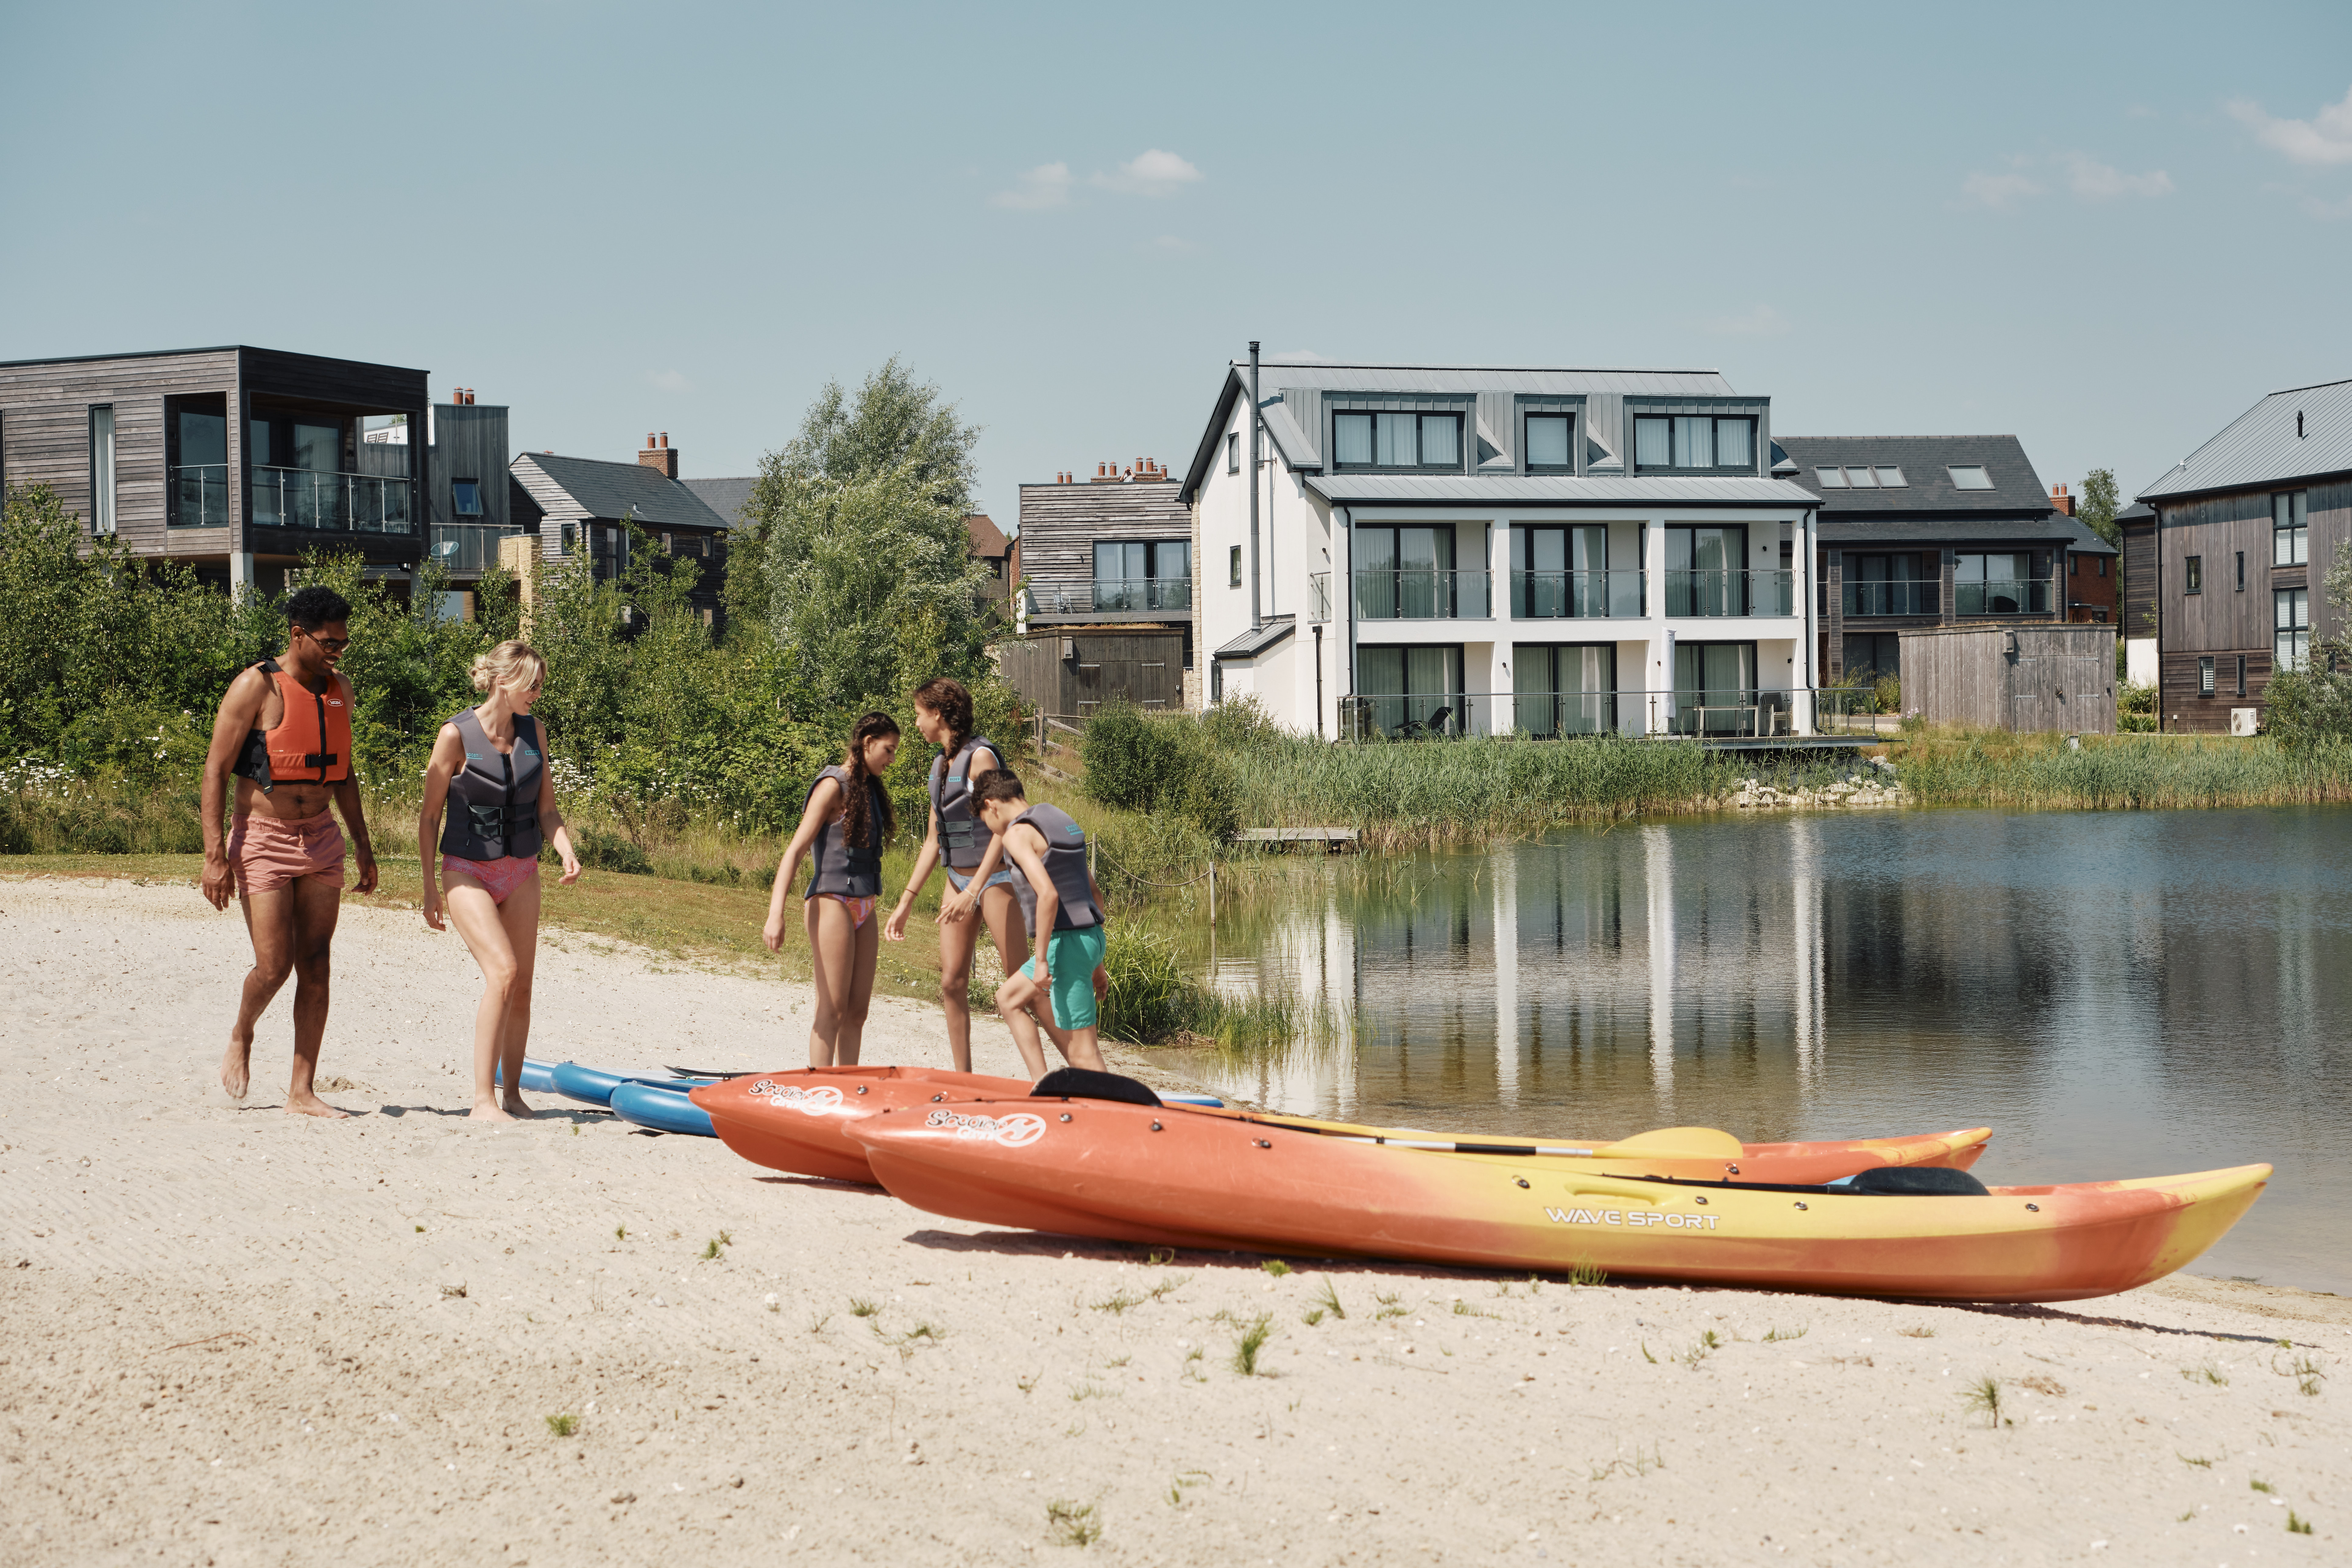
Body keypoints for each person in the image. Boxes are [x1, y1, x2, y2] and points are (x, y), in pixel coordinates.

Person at [200, 584, 379, 1116]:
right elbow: (214, 769)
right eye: (328, 641)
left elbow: (343, 771)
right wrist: (215, 855)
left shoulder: (340, 688)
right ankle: (243, 1032)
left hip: (322, 837)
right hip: (264, 838)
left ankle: (302, 1090)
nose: (337, 651)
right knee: (274, 966)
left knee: (317, 964)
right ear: (298, 634)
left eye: (343, 643)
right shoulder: (255, 687)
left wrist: (364, 846)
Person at [417, 641, 583, 1121]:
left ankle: (512, 1094)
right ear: (502, 680)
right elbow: (429, 817)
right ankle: (482, 1100)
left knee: (524, 986)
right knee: (503, 973)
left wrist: (565, 847)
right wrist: (429, 887)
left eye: (540, 685)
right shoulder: (455, 735)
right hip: (468, 869)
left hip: (522, 869)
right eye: (532, 684)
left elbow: (547, 809)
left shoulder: (536, 732)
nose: (537, 693)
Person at [883, 677, 1029, 1072]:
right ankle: (962, 1078)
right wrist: (905, 902)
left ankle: (1063, 1071)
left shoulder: (981, 756)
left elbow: (1006, 829)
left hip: (995, 879)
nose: (915, 723)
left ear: (939, 714)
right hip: (956, 880)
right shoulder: (939, 764)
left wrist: (977, 888)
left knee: (1022, 983)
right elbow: (934, 839)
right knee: (951, 982)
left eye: (919, 714)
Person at [765, 712, 901, 1067]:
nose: (891, 759)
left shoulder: (868, 788)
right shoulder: (832, 785)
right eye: (888, 750)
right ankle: (819, 1091)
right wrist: (775, 914)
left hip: (865, 905)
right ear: (868, 742)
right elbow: (795, 850)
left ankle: (846, 1086)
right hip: (831, 902)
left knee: (857, 1013)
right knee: (833, 1009)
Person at [973, 771, 1109, 1076]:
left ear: (991, 805)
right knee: (1008, 998)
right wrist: (1096, 964)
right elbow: (1094, 893)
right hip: (1088, 939)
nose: (991, 830)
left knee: (1083, 1053)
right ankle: (1041, 1084)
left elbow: (1048, 894)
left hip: (1065, 945)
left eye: (985, 821)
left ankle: (1115, 1118)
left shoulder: (1016, 834)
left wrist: (1043, 960)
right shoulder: (1057, 818)